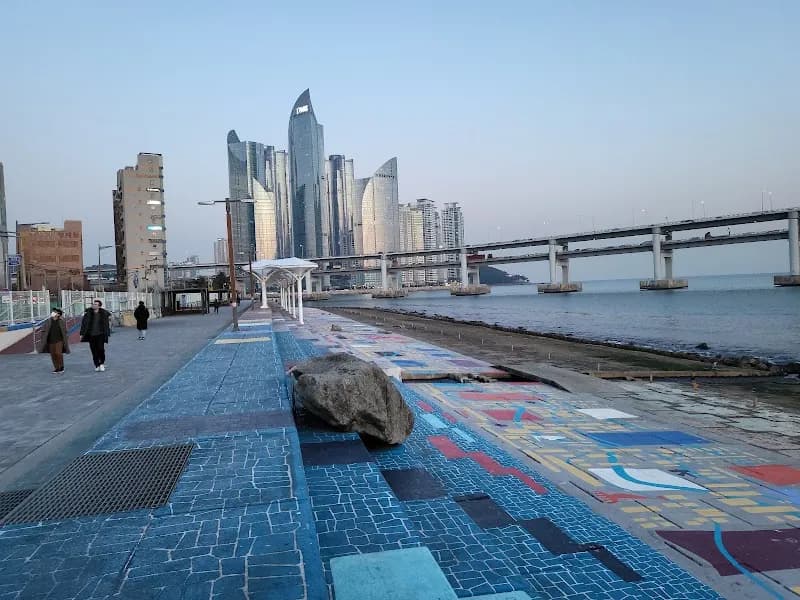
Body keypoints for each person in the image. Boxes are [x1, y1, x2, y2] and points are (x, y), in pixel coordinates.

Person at [80, 299, 111, 372]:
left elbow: (107, 323)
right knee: (94, 351)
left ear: (99, 306)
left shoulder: (103, 314)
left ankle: (102, 363)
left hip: (100, 334)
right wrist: (81, 333)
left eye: (96, 304)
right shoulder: (88, 314)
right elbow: (83, 324)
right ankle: (97, 365)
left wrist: (107, 332)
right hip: (91, 335)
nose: (94, 305)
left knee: (101, 349)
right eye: (93, 304)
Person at [38, 307, 70, 373]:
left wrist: (66, 338)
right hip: (50, 340)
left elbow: (65, 331)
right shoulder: (48, 321)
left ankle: (61, 367)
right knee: (53, 355)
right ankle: (56, 368)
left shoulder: (61, 321)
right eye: (53, 311)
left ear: (58, 314)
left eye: (55, 312)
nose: (53, 313)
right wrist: (43, 336)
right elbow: (44, 329)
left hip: (59, 340)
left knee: (58, 353)